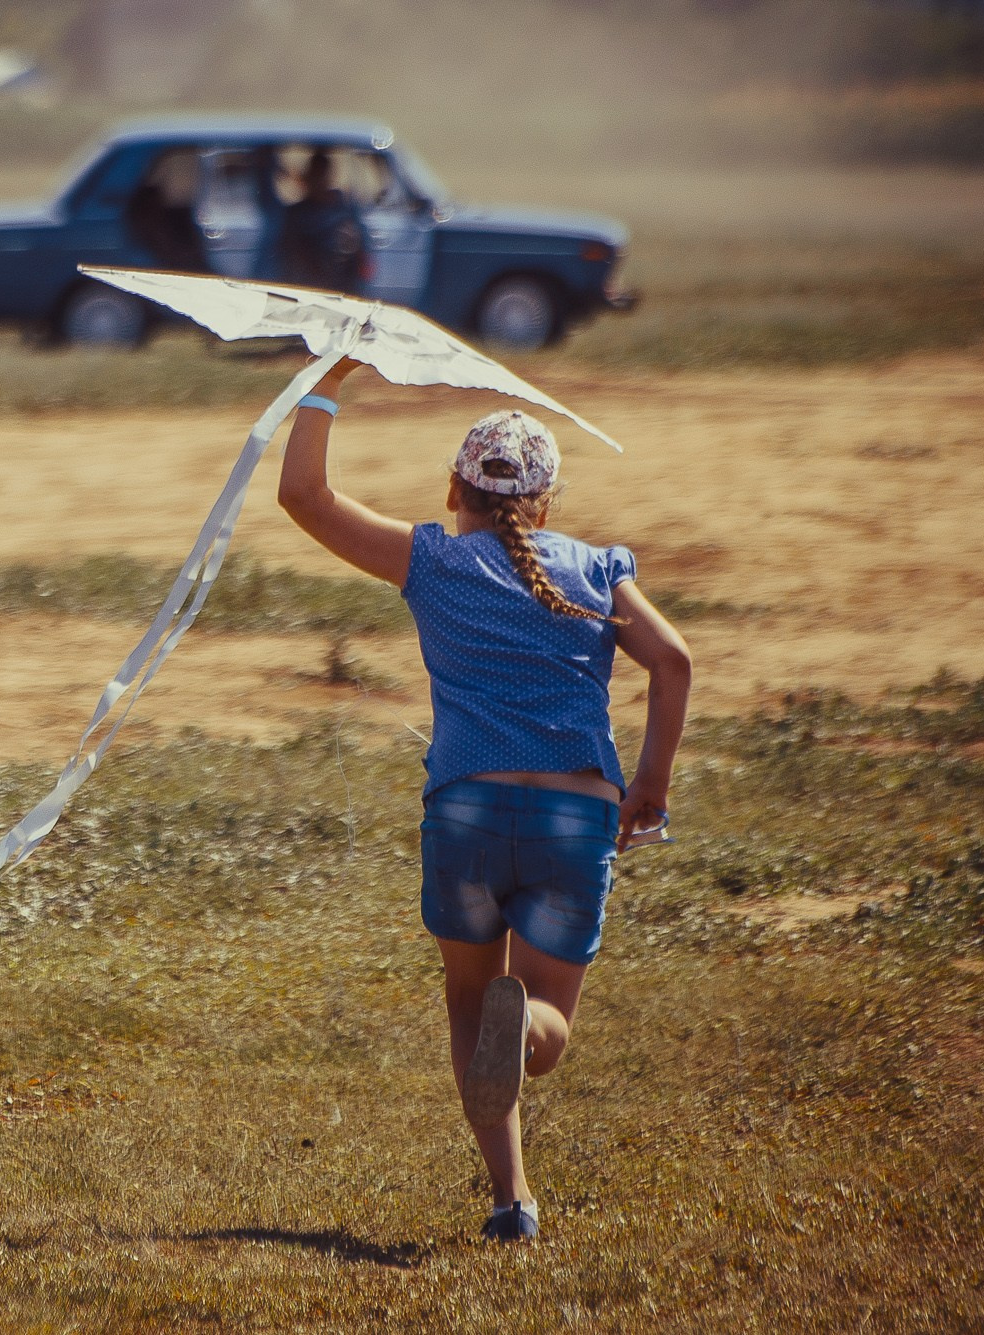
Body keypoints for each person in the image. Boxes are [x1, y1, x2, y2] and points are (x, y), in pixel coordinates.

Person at [276, 361, 692, 1243]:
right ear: (546, 504)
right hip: (575, 816)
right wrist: (650, 782)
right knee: (545, 1020)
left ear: (454, 489)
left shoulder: (432, 559)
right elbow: (673, 660)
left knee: (469, 1002)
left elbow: (304, 496)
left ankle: (512, 1201)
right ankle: (526, 1025)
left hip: (466, 808)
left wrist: (327, 379)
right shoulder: (596, 569)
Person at [278, 149, 367, 293]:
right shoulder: (296, 213)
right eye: (315, 176)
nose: (318, 182)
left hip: (340, 279)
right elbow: (293, 249)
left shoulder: (342, 208)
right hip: (307, 282)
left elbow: (353, 245)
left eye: (321, 176)